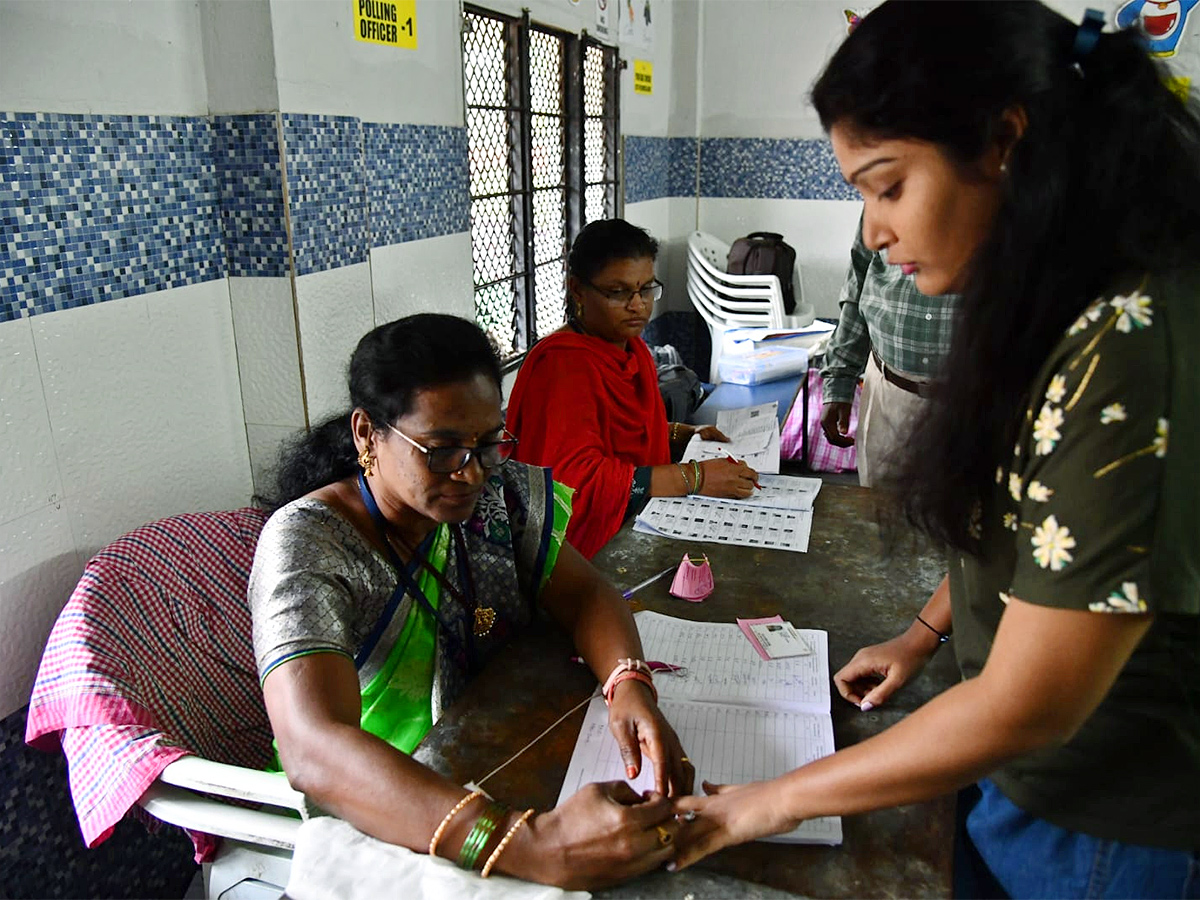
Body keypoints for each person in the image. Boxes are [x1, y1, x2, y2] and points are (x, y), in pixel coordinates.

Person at [670, 4, 1200, 897]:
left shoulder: (1130, 345)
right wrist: (923, 635)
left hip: (1107, 823)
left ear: (1003, 143)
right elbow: (1040, 530)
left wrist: (756, 805)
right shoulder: (1063, 294)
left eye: (888, 186)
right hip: (1027, 783)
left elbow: (1031, 702)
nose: (874, 234)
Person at [249, 313, 695, 891]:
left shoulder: (493, 494)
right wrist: (522, 844)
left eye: (489, 444)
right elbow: (315, 748)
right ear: (367, 435)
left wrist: (627, 685)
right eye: (441, 450)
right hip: (375, 805)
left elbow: (586, 596)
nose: (470, 472)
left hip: (487, 759)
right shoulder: (310, 541)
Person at [506, 218, 758, 558]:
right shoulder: (561, 365)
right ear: (577, 289)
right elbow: (573, 483)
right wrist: (694, 477)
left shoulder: (632, 348)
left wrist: (680, 433)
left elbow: (616, 438)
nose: (638, 305)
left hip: (638, 520)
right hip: (576, 557)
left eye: (646, 289)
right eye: (618, 292)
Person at [820, 215, 959, 487]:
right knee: (878, 517)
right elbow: (860, 276)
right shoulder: (884, 189)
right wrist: (839, 377)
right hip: (887, 395)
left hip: (977, 405)